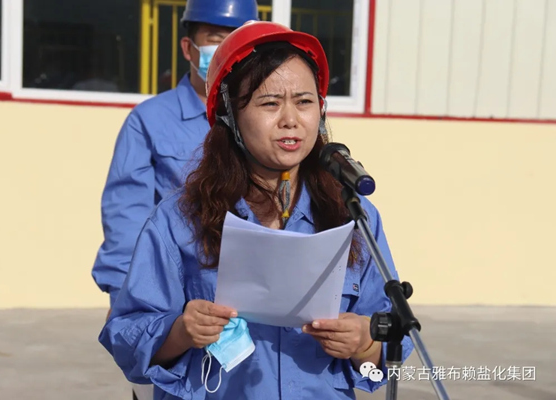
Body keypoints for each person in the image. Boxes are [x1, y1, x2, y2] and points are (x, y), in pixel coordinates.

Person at [99, 21, 414, 399]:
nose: (290, 119)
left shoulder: (354, 216)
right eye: (269, 103)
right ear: (230, 115)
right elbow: (127, 342)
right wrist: (181, 331)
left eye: (304, 101)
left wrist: (364, 343)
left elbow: (385, 356)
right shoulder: (180, 219)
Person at [92, 2, 258, 399]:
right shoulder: (149, 121)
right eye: (215, 40)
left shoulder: (260, 120)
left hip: (252, 305)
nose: (225, 51)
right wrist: (129, 309)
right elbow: (126, 217)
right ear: (188, 48)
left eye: (236, 41)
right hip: (178, 310)